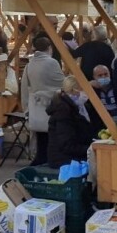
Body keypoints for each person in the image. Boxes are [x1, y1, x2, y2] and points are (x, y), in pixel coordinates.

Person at [21, 37, 65, 166]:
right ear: (49, 48)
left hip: (36, 106)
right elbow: (61, 83)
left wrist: (26, 108)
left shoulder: (30, 65)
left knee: (41, 137)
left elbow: (24, 87)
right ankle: (52, 160)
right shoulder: (52, 63)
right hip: (52, 106)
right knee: (52, 136)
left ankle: (40, 159)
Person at [46, 76, 94, 169]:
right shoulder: (63, 111)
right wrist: (90, 149)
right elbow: (66, 145)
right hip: (65, 160)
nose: (86, 93)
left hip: (76, 156)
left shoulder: (82, 107)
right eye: (83, 89)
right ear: (74, 90)